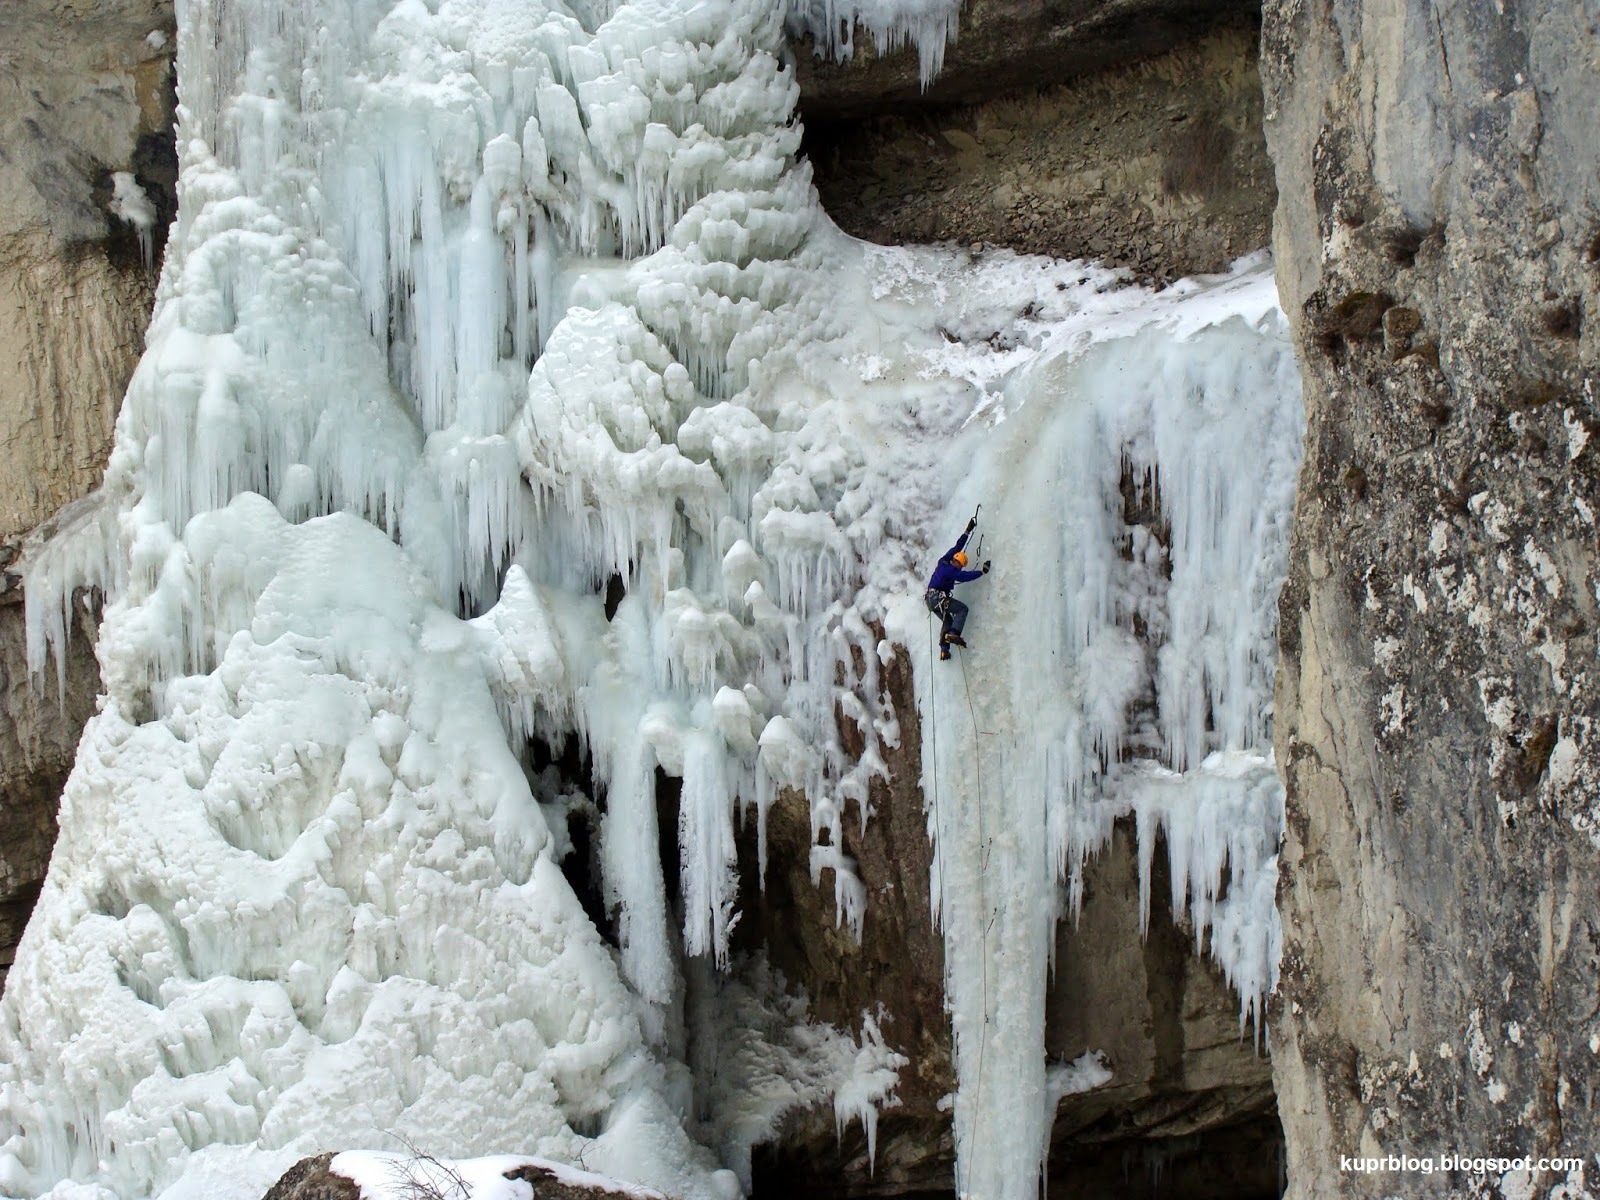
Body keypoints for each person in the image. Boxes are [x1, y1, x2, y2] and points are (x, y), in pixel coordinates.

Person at [925, 515, 990, 660]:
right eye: (960, 565)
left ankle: (944, 650)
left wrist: (967, 531)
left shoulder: (944, 561)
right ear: (959, 564)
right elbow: (964, 576)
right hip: (937, 599)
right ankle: (954, 634)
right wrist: (982, 572)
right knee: (962, 609)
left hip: (931, 601)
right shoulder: (952, 571)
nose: (959, 567)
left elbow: (957, 547)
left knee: (947, 620)